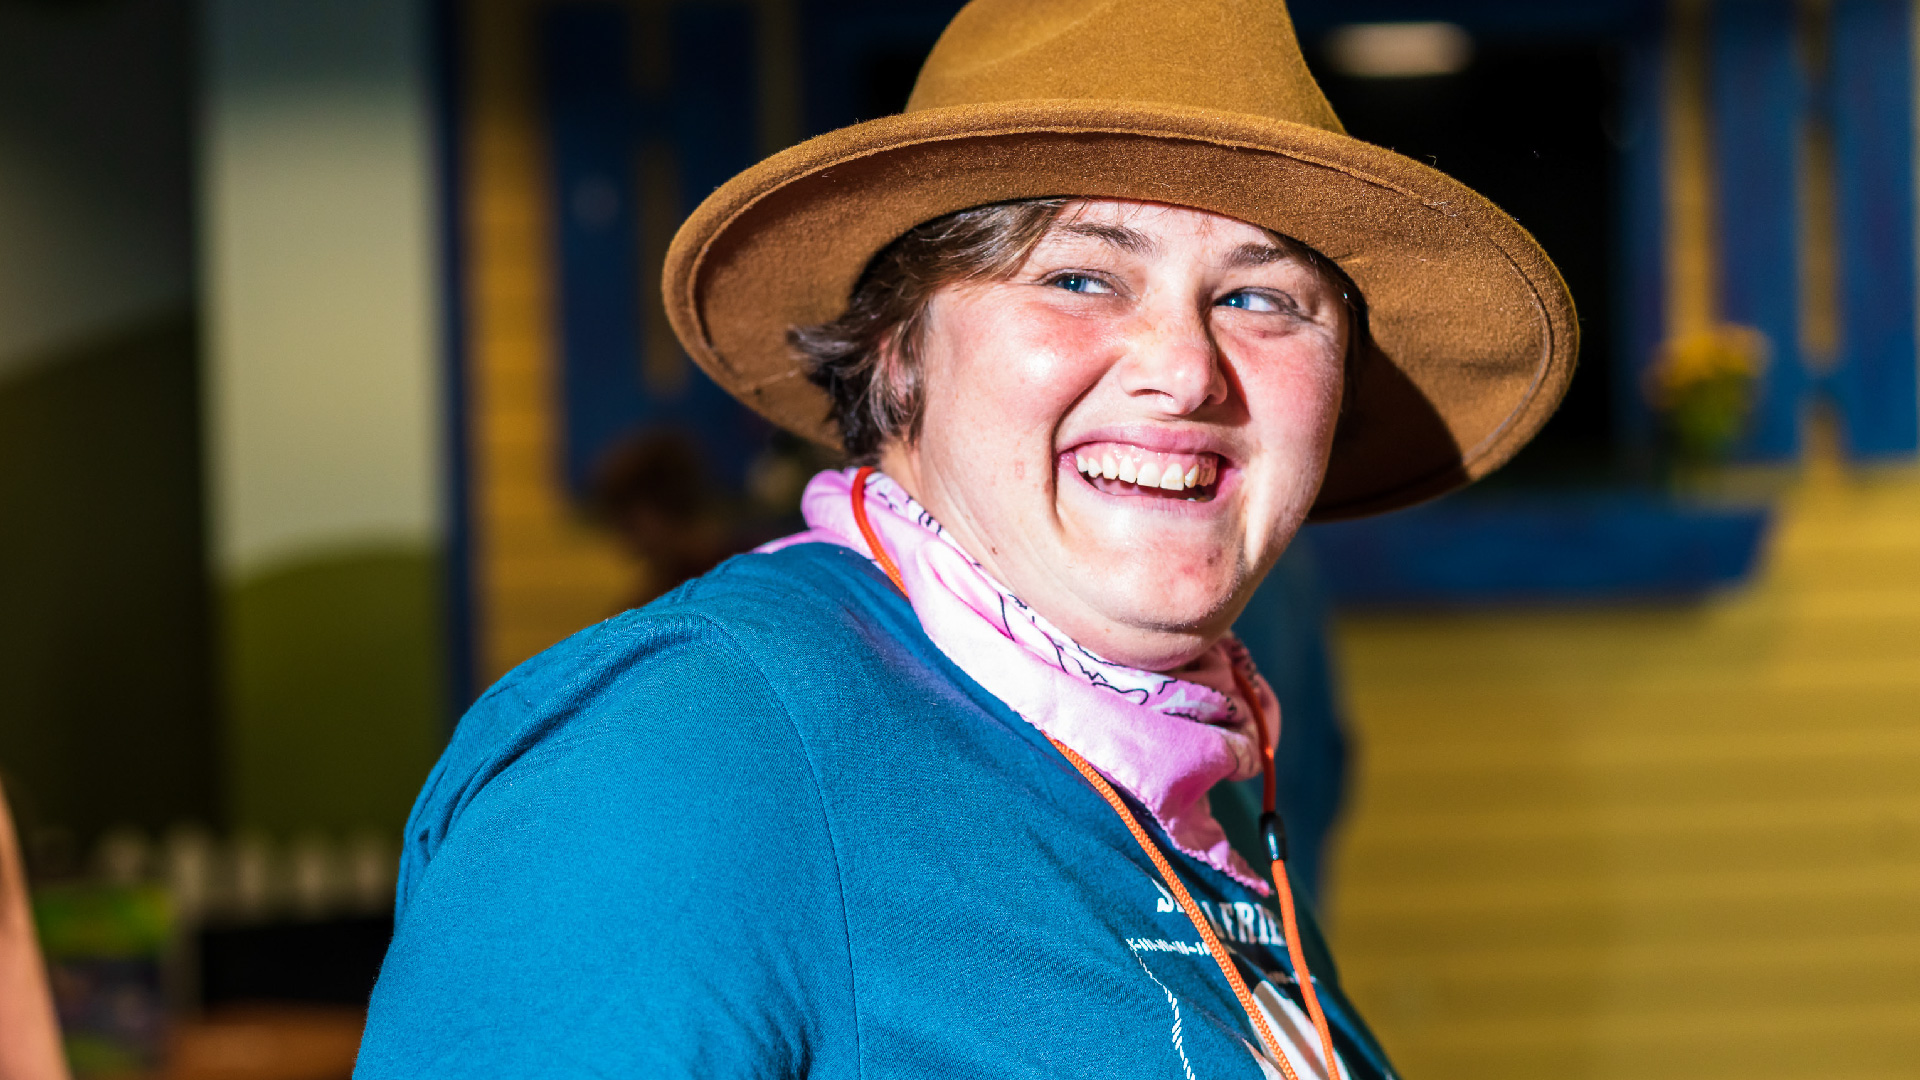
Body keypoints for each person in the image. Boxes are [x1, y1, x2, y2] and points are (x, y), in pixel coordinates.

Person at [356, 1, 1574, 1077]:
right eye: (1081, 278)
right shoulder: (690, 754)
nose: (1187, 370)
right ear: (898, 351)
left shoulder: (1193, 789)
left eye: (1262, 299)